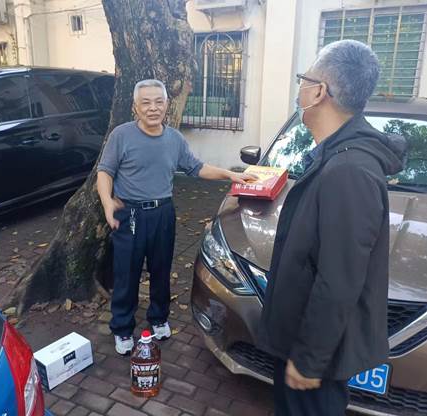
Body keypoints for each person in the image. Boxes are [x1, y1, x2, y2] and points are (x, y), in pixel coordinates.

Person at [258, 40, 407, 415]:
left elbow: (339, 279)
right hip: (300, 341)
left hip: (314, 360)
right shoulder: (335, 156)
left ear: (319, 91)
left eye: (303, 80)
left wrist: (309, 359)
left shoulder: (349, 171)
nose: (299, 90)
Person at [97, 79, 255, 355]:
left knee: (161, 270)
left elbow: (197, 168)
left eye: (158, 102)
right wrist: (107, 203)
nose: (153, 108)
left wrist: (231, 174)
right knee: (127, 274)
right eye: (146, 102)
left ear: (167, 105)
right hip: (130, 214)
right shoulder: (121, 135)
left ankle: (159, 318)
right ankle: (122, 328)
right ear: (135, 107)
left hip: (163, 213)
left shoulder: (174, 139)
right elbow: (105, 172)